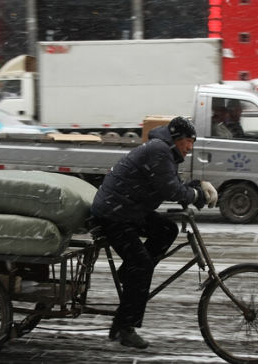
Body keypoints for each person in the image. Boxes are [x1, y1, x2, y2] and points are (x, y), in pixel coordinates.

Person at [90, 116, 218, 349]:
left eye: (193, 142)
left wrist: (197, 185)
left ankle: (128, 273)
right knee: (142, 265)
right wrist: (197, 195)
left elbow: (171, 182)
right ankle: (123, 327)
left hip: (128, 209)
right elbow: (169, 188)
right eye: (188, 141)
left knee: (166, 229)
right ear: (177, 139)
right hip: (114, 214)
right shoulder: (160, 150)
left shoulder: (165, 151)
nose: (190, 148)